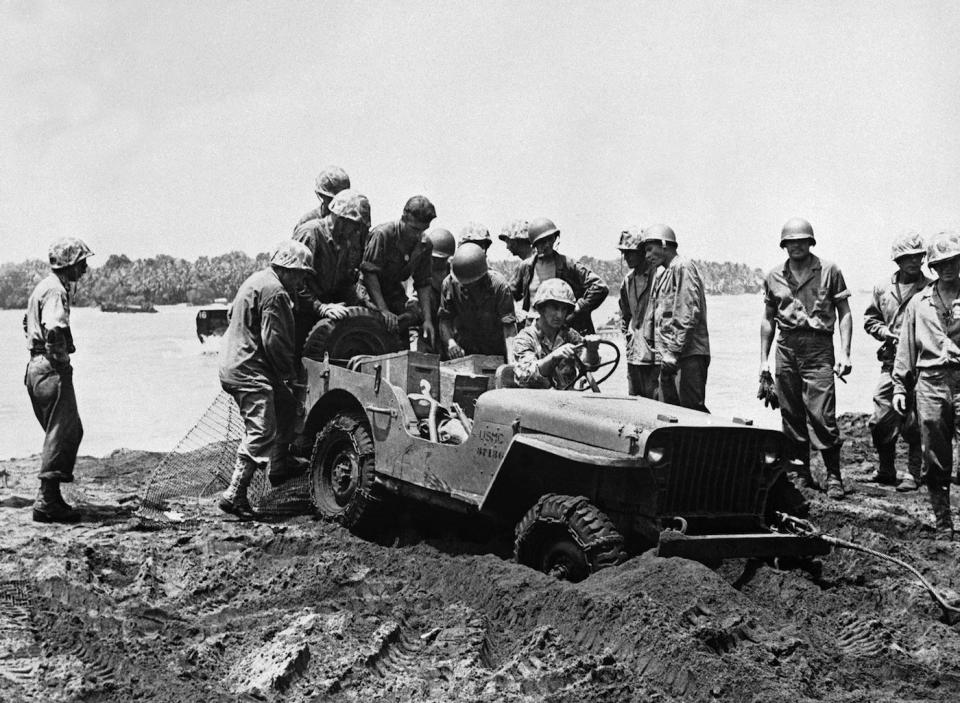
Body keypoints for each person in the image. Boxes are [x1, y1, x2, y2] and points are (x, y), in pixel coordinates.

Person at [218, 241, 314, 517]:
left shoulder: (257, 280)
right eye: (300, 275)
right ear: (288, 270)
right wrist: (288, 375)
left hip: (232, 362)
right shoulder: (276, 292)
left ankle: (280, 465)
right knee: (261, 429)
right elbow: (274, 340)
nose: (302, 281)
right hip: (248, 369)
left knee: (282, 408)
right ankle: (235, 494)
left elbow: (230, 314)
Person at [760, 218, 853, 499]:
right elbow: (767, 320)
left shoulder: (829, 270)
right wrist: (763, 362)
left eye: (802, 240)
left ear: (811, 242)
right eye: (790, 241)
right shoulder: (774, 276)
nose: (796, 246)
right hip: (786, 348)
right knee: (791, 414)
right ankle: (800, 472)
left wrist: (845, 352)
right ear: (783, 244)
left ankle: (834, 474)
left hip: (818, 348)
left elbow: (844, 313)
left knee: (822, 414)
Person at [893, 230, 960, 539]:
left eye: (954, 261)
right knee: (934, 455)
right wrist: (898, 387)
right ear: (932, 267)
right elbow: (906, 348)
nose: (949, 268)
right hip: (930, 383)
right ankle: (943, 522)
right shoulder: (919, 303)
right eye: (942, 263)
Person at [23, 237, 94, 523]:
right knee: (63, 431)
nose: (85, 268)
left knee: (64, 429)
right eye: (81, 262)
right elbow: (54, 330)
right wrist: (62, 362)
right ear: (69, 264)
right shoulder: (55, 291)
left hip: (36, 366)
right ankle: (47, 500)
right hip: (50, 367)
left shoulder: (44, 286)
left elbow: (28, 324)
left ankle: (50, 496)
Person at [864, 231, 930, 490]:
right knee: (881, 418)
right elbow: (870, 320)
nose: (914, 262)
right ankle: (886, 467)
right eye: (907, 258)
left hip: (922, 363)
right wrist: (884, 332)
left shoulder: (931, 288)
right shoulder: (883, 288)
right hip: (891, 362)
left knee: (917, 420)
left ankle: (913, 473)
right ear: (897, 261)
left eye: (918, 256)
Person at [291, 188, 371, 349]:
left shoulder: (344, 243)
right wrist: (319, 307)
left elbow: (345, 282)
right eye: (354, 226)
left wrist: (361, 301)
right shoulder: (310, 233)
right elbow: (293, 282)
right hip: (299, 313)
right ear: (340, 219)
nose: (356, 232)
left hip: (326, 312)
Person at [644, 224, 710, 411]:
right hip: (671, 357)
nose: (647, 256)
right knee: (670, 414)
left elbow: (687, 313)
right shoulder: (663, 274)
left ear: (665, 244)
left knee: (691, 414)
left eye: (650, 249)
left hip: (687, 356)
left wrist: (673, 351)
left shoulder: (683, 267)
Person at [361, 195, 437, 349]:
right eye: (414, 229)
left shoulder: (424, 245)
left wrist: (427, 320)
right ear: (403, 218)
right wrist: (383, 309)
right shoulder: (383, 234)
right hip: (367, 290)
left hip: (393, 291)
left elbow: (423, 283)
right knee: (372, 330)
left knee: (402, 333)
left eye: (423, 230)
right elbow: (369, 273)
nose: (418, 234)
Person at [512, 217, 608, 335]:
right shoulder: (525, 267)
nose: (547, 245)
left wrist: (578, 307)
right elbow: (508, 294)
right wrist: (518, 312)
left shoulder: (568, 265)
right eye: (542, 241)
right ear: (534, 244)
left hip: (563, 331)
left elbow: (599, 286)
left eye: (550, 239)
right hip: (535, 331)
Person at [439, 239, 518, 362]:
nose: (468, 288)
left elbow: (509, 329)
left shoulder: (499, 286)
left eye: (473, 284)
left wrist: (512, 362)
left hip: (496, 351)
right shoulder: (449, 284)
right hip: (466, 353)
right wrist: (451, 343)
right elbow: (444, 321)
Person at [513, 279, 600, 389]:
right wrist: (553, 357)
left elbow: (588, 365)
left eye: (564, 309)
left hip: (566, 400)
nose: (559, 315)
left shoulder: (570, 336)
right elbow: (525, 377)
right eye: (555, 308)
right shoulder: (525, 338)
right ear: (542, 308)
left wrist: (592, 351)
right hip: (535, 401)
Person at [617, 227, 658, 398]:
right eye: (624, 253)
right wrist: (628, 336)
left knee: (657, 403)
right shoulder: (628, 281)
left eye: (631, 252)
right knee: (634, 402)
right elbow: (624, 314)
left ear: (642, 251)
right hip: (634, 355)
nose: (626, 257)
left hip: (655, 356)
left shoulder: (659, 276)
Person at [418, 227, 456, 356]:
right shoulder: (421, 269)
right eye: (433, 257)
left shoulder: (454, 274)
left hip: (448, 324)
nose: (435, 261)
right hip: (426, 321)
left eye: (440, 259)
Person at [293, 165, 351, 230]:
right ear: (321, 195)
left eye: (341, 199)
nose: (336, 203)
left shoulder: (352, 220)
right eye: (331, 199)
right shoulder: (308, 222)